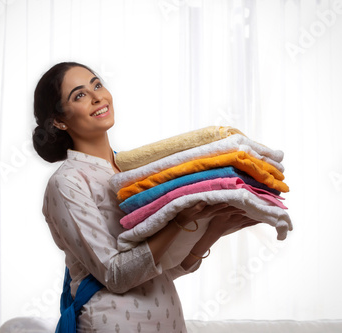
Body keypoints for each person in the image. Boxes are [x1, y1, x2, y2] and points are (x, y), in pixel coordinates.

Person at [32, 62, 259, 333]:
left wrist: (216, 229)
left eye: (97, 85)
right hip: (112, 323)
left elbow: (163, 269)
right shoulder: (67, 182)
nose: (97, 97)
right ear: (58, 120)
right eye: (80, 95)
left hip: (168, 319)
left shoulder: (136, 172)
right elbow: (115, 276)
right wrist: (177, 220)